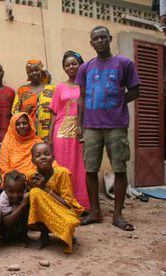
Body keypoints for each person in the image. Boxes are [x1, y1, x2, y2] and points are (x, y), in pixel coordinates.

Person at [76, 26, 140, 231]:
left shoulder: (124, 63)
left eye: (104, 37)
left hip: (116, 126)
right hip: (91, 127)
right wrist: (79, 124)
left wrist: (117, 104)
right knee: (90, 169)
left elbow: (135, 90)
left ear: (110, 39)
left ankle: (118, 215)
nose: (100, 40)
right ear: (91, 43)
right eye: (96, 38)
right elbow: (82, 98)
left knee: (119, 169)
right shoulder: (85, 68)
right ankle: (95, 212)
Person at [48, 51, 90, 209]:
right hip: (61, 132)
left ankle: (82, 205)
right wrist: (50, 138)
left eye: (74, 63)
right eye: (67, 65)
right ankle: (62, 204)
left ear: (80, 64)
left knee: (81, 168)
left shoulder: (87, 85)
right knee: (62, 168)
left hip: (81, 131)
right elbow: (54, 113)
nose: (71, 67)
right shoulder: (59, 87)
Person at [26, 143, 84, 253]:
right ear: (33, 161)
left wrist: (46, 189)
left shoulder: (62, 173)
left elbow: (68, 204)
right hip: (43, 212)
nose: (43, 157)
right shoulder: (31, 176)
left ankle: (66, 235)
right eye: (38, 155)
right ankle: (44, 235)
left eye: (47, 154)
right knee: (34, 192)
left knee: (70, 223)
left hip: (62, 210)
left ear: (53, 158)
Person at [12, 60, 55, 141]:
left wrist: (51, 137)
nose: (34, 73)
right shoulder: (22, 90)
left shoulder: (52, 88)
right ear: (27, 74)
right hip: (28, 135)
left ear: (41, 71)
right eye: (31, 71)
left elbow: (56, 111)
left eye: (36, 70)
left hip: (48, 134)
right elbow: (15, 112)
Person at [0, 112, 43, 179]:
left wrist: (28, 176)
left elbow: (43, 163)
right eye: (18, 124)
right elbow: (4, 167)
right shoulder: (7, 143)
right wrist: (18, 177)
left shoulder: (37, 142)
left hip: (35, 178)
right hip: (13, 179)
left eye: (24, 123)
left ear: (29, 125)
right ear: (13, 126)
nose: (21, 126)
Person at [0, 170, 29, 243]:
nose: (15, 195)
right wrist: (22, 205)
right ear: (4, 188)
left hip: (20, 222)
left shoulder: (26, 193)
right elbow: (6, 222)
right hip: (5, 227)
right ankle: (8, 238)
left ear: (24, 188)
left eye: (19, 191)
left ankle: (23, 236)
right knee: (18, 209)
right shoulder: (3, 197)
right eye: (11, 192)